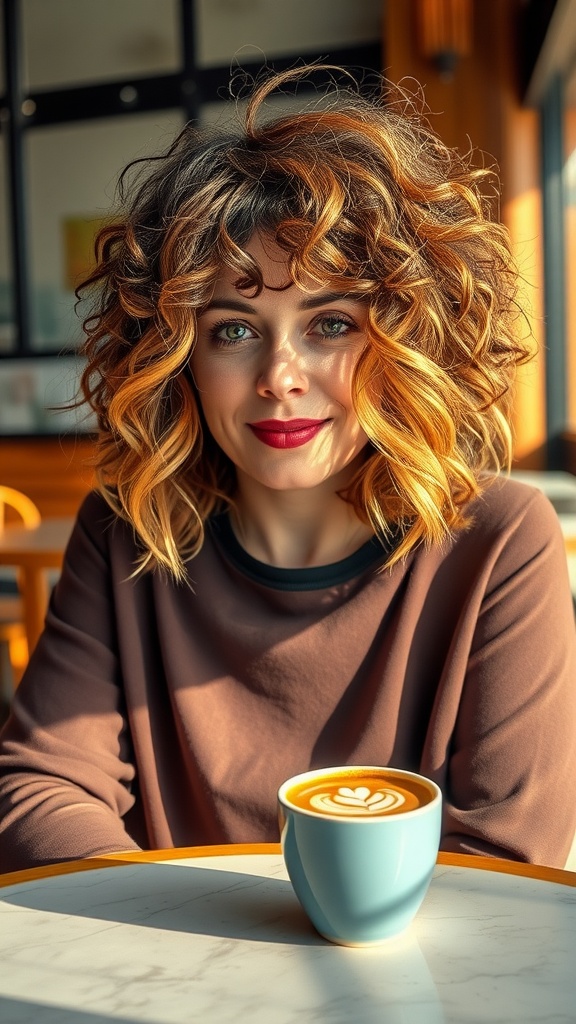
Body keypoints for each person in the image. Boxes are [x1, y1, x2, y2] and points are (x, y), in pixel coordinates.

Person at [1, 64, 575, 873]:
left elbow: (508, 858)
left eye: (331, 322)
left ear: (406, 341)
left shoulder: (500, 540)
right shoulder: (124, 531)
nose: (280, 376)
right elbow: (41, 786)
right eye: (234, 330)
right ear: (177, 357)